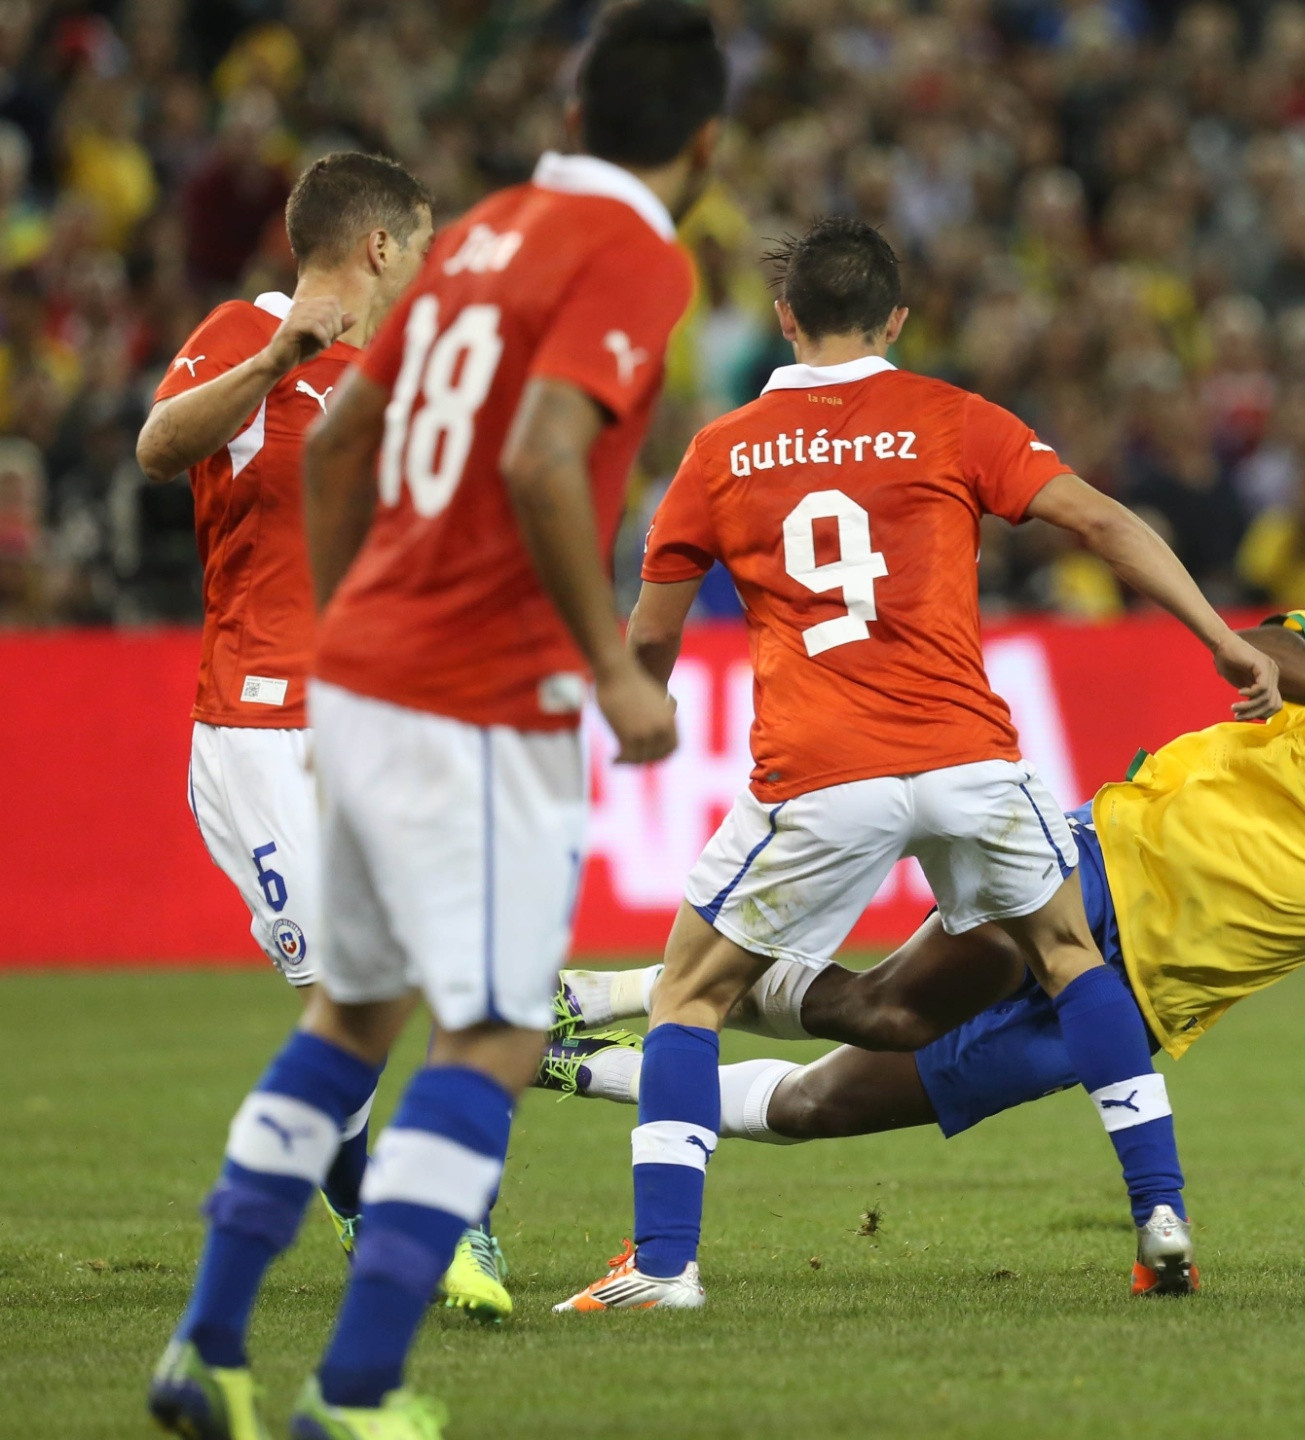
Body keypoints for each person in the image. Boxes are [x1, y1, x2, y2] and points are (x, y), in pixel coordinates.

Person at [146, 5, 723, 1437]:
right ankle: (354, 1391)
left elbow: (339, 447)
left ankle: (208, 1351)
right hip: (481, 692)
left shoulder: (473, 241)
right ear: (702, 147)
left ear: (575, 116)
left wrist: (350, 632)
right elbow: (540, 457)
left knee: (346, 1020)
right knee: (486, 1037)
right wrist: (616, 668)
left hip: (363, 684)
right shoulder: (638, 255)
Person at [552, 216, 1283, 1314]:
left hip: (822, 767)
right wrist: (1220, 636)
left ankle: (662, 1264)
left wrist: (636, 713)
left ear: (787, 319)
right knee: (1068, 956)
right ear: (897, 317)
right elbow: (1097, 519)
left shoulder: (720, 449)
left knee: (692, 995)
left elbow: (649, 643)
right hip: (967, 760)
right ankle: (1160, 1210)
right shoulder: (951, 417)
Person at [546, 556, 1305, 1224]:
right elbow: (1250, 643)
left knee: (818, 1108)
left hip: (1156, 1007)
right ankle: (612, 990)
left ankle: (566, 1058)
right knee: (883, 1005)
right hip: (1106, 871)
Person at [135, 150, 493, 1304]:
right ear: (381, 245)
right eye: (425, 246)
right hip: (260, 725)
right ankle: (379, 1213)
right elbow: (157, 447)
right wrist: (280, 359)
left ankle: (434, 1218)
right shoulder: (249, 328)